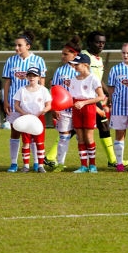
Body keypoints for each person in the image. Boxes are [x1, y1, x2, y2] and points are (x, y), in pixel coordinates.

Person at [2, 31, 47, 172]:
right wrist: (5, 101)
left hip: (34, 106)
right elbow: (7, 82)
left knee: (34, 133)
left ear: (28, 46)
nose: (16, 48)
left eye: (19, 45)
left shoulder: (38, 60)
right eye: (15, 45)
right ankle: (14, 163)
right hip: (15, 104)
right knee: (15, 132)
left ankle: (35, 163)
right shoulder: (10, 61)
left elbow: (43, 83)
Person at [81, 31, 120, 167]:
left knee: (102, 125)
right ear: (90, 43)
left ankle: (112, 160)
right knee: (78, 128)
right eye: (98, 42)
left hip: (95, 97)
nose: (101, 45)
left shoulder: (99, 59)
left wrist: (107, 94)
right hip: (87, 97)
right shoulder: (84, 56)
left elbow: (98, 80)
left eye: (103, 42)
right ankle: (112, 160)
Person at [46, 36, 82, 172]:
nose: (63, 56)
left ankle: (85, 164)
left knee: (81, 137)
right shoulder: (60, 71)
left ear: (75, 54)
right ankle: (60, 163)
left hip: (79, 109)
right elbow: (54, 90)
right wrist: (55, 108)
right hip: (65, 110)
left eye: (65, 54)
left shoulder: (82, 69)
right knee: (64, 136)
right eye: (62, 53)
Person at [67, 54, 106, 173]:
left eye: (77, 64)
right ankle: (83, 165)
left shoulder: (93, 78)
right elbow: (71, 97)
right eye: (74, 65)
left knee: (89, 137)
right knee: (80, 138)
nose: (75, 67)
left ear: (86, 65)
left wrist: (85, 103)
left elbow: (101, 96)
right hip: (76, 109)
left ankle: (92, 165)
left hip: (88, 108)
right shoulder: (73, 79)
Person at [107, 43, 128, 171]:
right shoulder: (115, 69)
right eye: (123, 53)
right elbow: (111, 88)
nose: (125, 55)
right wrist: (113, 101)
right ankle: (120, 164)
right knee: (119, 134)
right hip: (119, 107)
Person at [13, 67, 52, 173]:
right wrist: (24, 113)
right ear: (26, 77)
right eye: (30, 75)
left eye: (34, 76)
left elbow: (48, 105)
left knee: (39, 142)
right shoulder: (22, 90)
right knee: (26, 142)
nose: (32, 78)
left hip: (39, 118)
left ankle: (40, 165)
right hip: (26, 119)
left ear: (39, 77)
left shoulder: (43, 90)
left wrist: (43, 111)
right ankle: (25, 165)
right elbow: (16, 105)